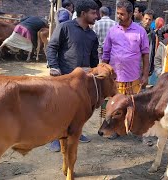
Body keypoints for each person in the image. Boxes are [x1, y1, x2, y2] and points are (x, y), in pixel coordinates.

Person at [46, 0, 99, 152]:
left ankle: (76, 132)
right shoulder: (65, 27)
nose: (96, 16)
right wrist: (54, 66)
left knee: (80, 109)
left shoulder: (92, 35)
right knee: (60, 109)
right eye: (93, 13)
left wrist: (94, 72)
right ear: (83, 14)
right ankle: (55, 138)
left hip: (84, 80)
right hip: (65, 77)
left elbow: (94, 58)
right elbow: (52, 47)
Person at [103, 0, 149, 95]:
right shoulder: (112, 31)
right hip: (114, 78)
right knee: (114, 107)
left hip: (133, 79)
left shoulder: (140, 31)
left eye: (122, 14)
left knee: (131, 107)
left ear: (130, 14)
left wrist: (145, 75)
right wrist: (103, 71)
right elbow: (106, 54)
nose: (118, 16)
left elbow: (145, 55)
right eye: (117, 13)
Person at [139, 9, 156, 86]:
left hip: (145, 65)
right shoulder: (135, 29)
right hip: (134, 64)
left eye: (150, 20)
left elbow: (152, 51)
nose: (147, 21)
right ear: (142, 17)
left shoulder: (152, 34)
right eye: (146, 19)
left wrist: (151, 66)